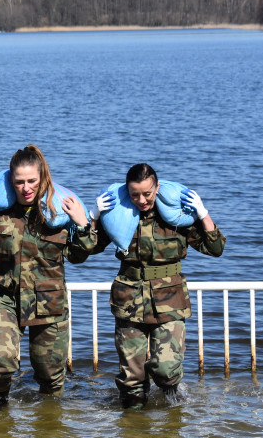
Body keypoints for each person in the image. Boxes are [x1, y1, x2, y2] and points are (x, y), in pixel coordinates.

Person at [0, 145, 96, 407]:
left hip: (49, 302)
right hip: (6, 298)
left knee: (51, 375)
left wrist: (82, 224)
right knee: (0, 361)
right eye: (19, 182)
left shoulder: (58, 214)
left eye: (32, 181)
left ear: (42, 179)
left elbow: (78, 256)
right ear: (11, 181)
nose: (26, 187)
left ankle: (49, 431)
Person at [88, 163, 225, 409]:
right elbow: (87, 249)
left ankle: (174, 419)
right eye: (135, 195)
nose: (142, 200)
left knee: (166, 369)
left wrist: (203, 214)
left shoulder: (176, 215)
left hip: (170, 301)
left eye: (147, 193)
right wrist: (94, 218)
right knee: (132, 379)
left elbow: (215, 249)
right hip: (129, 301)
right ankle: (134, 435)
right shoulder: (119, 217)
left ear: (157, 188)